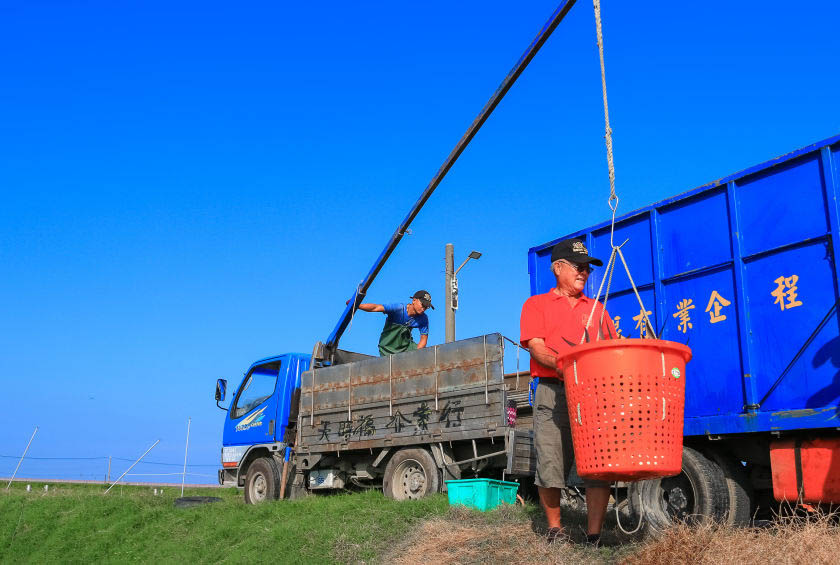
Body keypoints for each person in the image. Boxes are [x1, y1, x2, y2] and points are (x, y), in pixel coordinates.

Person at [519, 238, 617, 546]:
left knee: (599, 464)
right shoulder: (536, 305)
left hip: (593, 395)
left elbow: (611, 349)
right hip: (553, 390)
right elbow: (537, 348)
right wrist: (564, 366)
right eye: (579, 267)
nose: (585, 272)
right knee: (550, 460)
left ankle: (595, 534)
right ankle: (555, 528)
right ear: (558, 268)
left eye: (588, 268)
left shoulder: (597, 309)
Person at [359, 290, 434, 356]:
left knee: (425, 355)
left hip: (406, 347)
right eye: (422, 305)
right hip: (388, 346)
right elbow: (375, 307)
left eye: (426, 307)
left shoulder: (423, 318)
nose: (424, 308)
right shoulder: (398, 309)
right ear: (414, 300)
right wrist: (357, 305)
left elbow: (423, 340)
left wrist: (415, 354)